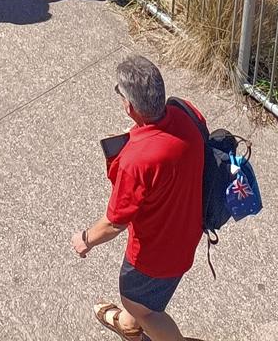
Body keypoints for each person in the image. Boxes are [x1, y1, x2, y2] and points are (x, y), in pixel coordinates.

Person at [71, 52, 206, 341]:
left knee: (139, 304)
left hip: (155, 254)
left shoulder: (136, 161)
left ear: (129, 106)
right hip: (188, 230)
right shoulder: (186, 113)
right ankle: (130, 326)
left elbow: (115, 222)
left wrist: (85, 239)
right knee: (147, 298)